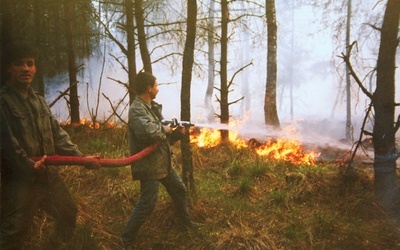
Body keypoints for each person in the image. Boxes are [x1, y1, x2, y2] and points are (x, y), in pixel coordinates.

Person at [0, 41, 100, 249]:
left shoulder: (39, 101)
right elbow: (7, 143)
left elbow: (57, 134)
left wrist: (82, 158)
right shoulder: (4, 102)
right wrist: (28, 165)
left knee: (67, 214)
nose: (26, 69)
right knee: (13, 234)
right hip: (22, 181)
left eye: (30, 63)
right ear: (9, 67)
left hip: (49, 178)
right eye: (20, 64)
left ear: (35, 68)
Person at [121, 71, 197, 249]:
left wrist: (176, 134)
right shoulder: (137, 109)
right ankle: (125, 239)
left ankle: (185, 225)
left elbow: (161, 137)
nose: (158, 89)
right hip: (149, 165)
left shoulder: (151, 108)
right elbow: (149, 132)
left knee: (179, 190)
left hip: (162, 163)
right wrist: (167, 129)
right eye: (156, 86)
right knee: (147, 203)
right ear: (149, 88)